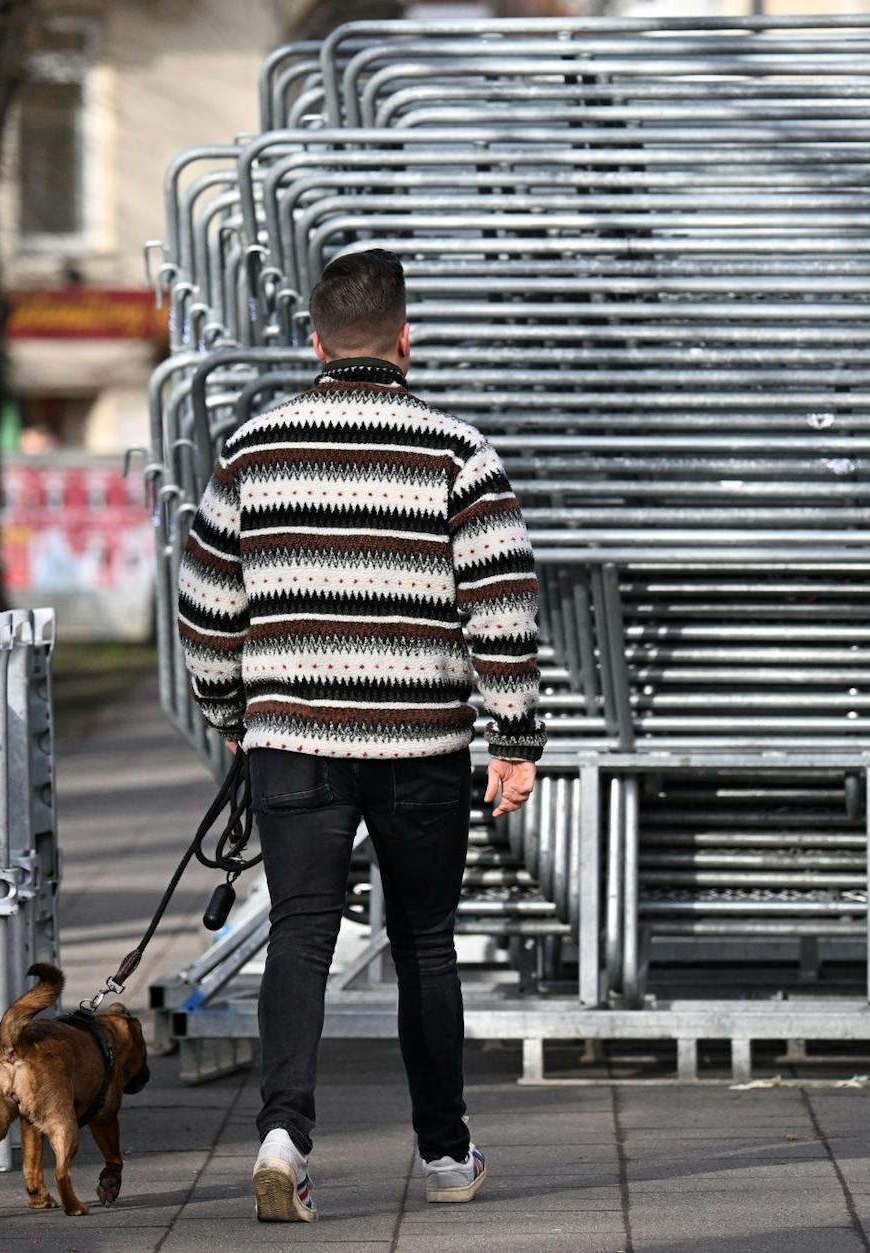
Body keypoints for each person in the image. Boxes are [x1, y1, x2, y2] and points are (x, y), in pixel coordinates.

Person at [176, 248, 544, 1223]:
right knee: (425, 940)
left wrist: (233, 717)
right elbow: (502, 603)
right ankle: (446, 1151)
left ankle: (283, 1137)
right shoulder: (457, 453)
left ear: (315, 342)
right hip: (421, 742)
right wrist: (515, 738)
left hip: (293, 738)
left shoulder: (251, 452)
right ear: (404, 340)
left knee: (300, 929)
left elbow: (204, 607)